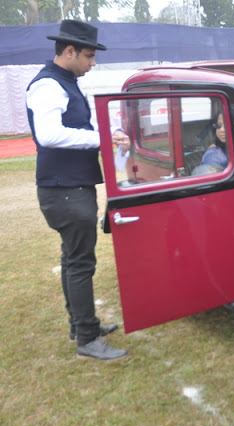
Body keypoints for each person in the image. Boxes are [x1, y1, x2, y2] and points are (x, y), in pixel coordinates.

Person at [26, 20, 128, 360]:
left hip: (69, 187)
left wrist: (109, 133)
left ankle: (80, 326)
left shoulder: (65, 81)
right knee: (81, 261)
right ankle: (87, 338)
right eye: (88, 55)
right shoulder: (48, 86)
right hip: (64, 189)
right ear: (68, 52)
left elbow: (78, 126)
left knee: (74, 259)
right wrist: (102, 139)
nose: (92, 62)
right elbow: (50, 135)